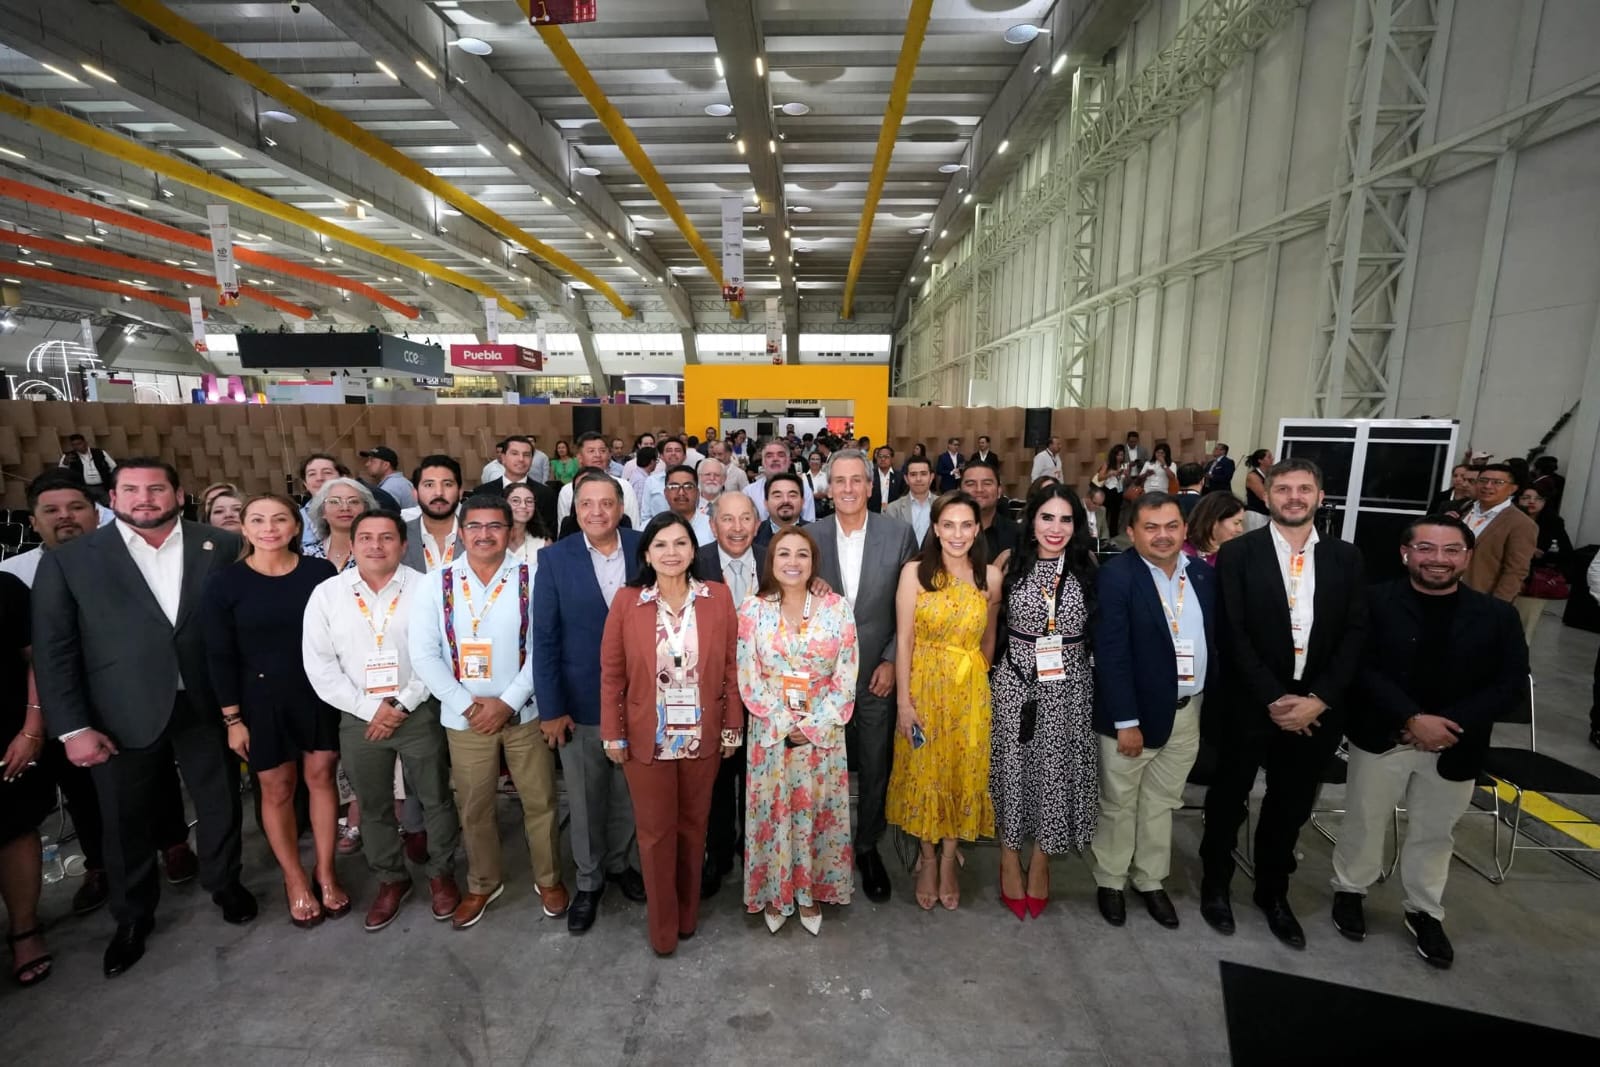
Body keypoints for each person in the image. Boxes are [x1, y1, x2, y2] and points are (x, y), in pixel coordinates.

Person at [33, 459, 257, 978]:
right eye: (131, 489)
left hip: (207, 703)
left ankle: (225, 883)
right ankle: (132, 916)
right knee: (123, 819)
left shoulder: (221, 545)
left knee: (220, 801)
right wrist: (73, 728)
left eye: (156, 488)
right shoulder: (71, 561)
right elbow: (54, 651)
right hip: (119, 712)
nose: (145, 498)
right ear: (112, 499)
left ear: (178, 494)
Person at [1330, 516, 1526, 968]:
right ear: (1406, 554)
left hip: (1456, 743)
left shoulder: (1498, 615)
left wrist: (1448, 725)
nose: (1438, 559)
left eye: (1451, 550)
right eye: (1426, 548)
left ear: (1467, 557)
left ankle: (1424, 910)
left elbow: (1510, 685)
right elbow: (1358, 668)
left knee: (1436, 832)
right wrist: (1411, 718)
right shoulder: (1373, 602)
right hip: (1384, 734)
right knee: (1365, 819)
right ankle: (1350, 891)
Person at [1, 473, 196, 916]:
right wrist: (54, 721)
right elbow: (45, 654)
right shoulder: (17, 573)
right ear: (33, 521)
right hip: (68, 706)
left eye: (76, 508)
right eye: (52, 511)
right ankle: (102, 870)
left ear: (96, 512)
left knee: (158, 778)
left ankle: (173, 843)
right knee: (86, 795)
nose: (65, 518)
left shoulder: (134, 554)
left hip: (138, 697)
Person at [1199, 459, 1366, 949]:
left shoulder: (1346, 558)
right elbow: (1231, 632)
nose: (1294, 497)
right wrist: (1273, 696)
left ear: (1320, 496)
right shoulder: (1239, 553)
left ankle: (1273, 893)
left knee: (1288, 806)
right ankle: (1216, 885)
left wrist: (1319, 699)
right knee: (1227, 800)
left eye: (1304, 489)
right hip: (1249, 700)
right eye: (1284, 489)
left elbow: (1356, 634)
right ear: (1267, 497)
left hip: (1314, 709)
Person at [410, 495, 569, 929]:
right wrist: (468, 705)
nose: (485, 535)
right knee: (474, 806)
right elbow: (424, 654)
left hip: (524, 711)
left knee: (540, 801)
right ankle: (483, 882)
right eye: (475, 527)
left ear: (510, 531)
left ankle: (549, 878)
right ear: (461, 533)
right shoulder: (436, 583)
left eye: (495, 526)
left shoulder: (533, 577)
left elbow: (543, 647)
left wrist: (507, 702)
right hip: (464, 719)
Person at [301, 509, 462, 932]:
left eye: (387, 537)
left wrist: (402, 704)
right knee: (372, 804)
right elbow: (320, 665)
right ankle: (391, 878)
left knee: (435, 797)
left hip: (419, 708)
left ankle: (442, 873)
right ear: (352, 545)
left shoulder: (427, 588)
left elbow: (442, 651)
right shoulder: (327, 594)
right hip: (359, 716)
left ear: (403, 545)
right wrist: (371, 709)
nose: (376, 545)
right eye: (366, 538)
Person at [599, 514, 739, 956]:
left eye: (680, 543)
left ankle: (688, 915)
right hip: (649, 738)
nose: (672, 552)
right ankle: (663, 927)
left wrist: (733, 725)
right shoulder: (628, 601)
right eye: (661, 544)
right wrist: (613, 733)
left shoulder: (717, 597)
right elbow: (612, 674)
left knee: (695, 829)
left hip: (702, 734)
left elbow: (732, 667)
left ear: (694, 550)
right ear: (646, 554)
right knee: (656, 834)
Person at [202, 495, 344, 928]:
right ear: (244, 529)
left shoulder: (320, 572)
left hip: (317, 692)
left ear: (296, 527)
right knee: (277, 788)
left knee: (321, 778)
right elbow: (219, 655)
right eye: (258, 520)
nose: (269, 528)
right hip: (259, 699)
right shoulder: (225, 582)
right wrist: (232, 719)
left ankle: (325, 871)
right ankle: (294, 877)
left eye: (280, 519)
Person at [1090, 493, 1214, 929]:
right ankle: (1111, 879)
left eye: (1171, 526)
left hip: (1187, 712)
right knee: (1119, 803)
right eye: (1151, 527)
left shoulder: (1200, 573)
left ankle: (1150, 879)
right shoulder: (1117, 577)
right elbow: (1112, 654)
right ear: (1131, 532)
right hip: (1134, 716)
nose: (1163, 536)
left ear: (1185, 529)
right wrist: (1126, 722)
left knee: (1162, 802)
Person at [532, 474, 646, 933]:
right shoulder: (554, 559)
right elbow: (544, 639)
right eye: (587, 504)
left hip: (641, 701)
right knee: (583, 799)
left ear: (621, 507)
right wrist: (551, 708)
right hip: (580, 704)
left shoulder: (645, 547)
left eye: (606, 503)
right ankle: (589, 880)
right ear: (575, 510)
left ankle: (620, 864)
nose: (597, 512)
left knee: (628, 796)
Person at [735, 526, 859, 936]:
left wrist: (814, 724)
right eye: (783, 553)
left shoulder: (836, 608)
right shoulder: (752, 609)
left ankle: (810, 892)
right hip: (771, 734)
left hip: (823, 734)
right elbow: (748, 676)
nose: (792, 562)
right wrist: (786, 722)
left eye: (802, 554)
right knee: (773, 813)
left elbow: (846, 674)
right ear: (771, 561)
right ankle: (776, 890)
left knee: (817, 813)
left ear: (813, 562)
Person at [888, 491, 1001, 911]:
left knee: (962, 773)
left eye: (966, 525)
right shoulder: (915, 573)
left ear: (977, 529)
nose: (957, 534)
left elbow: (989, 640)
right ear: (935, 529)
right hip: (922, 687)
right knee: (924, 771)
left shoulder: (990, 577)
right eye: (948, 525)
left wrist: (973, 680)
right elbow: (904, 640)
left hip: (969, 693)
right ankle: (928, 857)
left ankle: (950, 859)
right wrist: (904, 703)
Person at [989, 486, 1098, 921]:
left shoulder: (1087, 567)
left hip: (1069, 689)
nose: (1056, 528)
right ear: (1031, 520)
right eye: (1047, 517)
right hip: (1016, 685)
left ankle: (1040, 859)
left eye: (1066, 519)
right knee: (1012, 771)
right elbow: (987, 626)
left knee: (1054, 773)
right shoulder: (1007, 563)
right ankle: (1008, 855)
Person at [695, 491, 764, 898]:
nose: (737, 528)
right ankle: (717, 853)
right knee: (716, 779)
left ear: (757, 524)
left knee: (757, 777)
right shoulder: (693, 562)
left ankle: (753, 849)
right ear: (712, 524)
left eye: (745, 519)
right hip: (711, 692)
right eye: (727, 519)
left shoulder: (776, 561)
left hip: (765, 693)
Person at [1, 571, 53, 986]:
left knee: (14, 827)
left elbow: (39, 658)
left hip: (7, 735)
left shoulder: (5, 589)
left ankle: (24, 931)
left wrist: (33, 728)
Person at [1460, 463, 1537, 609]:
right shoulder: (1465, 509)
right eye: (1483, 480)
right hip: (1447, 591)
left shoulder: (1521, 523)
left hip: (1481, 598)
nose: (1488, 486)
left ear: (1512, 489)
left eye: (1498, 482)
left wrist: (1497, 606)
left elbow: (1515, 571)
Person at [1513, 483, 1573, 643]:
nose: (1532, 502)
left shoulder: (1553, 523)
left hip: (1535, 580)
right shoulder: (1508, 519)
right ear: (1517, 500)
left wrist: (1542, 554)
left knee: (1524, 628)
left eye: (1538, 498)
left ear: (1545, 502)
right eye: (1526, 497)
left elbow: (1566, 552)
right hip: (1507, 576)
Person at [556, 433, 642, 530]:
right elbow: (565, 530)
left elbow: (633, 526)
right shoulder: (567, 491)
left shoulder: (623, 486)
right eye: (591, 451)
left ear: (609, 455)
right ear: (579, 457)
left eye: (602, 451)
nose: (598, 455)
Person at [474, 436, 557, 535]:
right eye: (514, 453)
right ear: (503, 458)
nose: (521, 459)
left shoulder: (546, 494)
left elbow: (550, 534)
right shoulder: (482, 493)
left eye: (526, 455)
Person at [402, 455, 463, 574]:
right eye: (429, 485)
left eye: (447, 484)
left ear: (460, 493)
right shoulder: (399, 536)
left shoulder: (478, 535)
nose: (439, 493)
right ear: (415, 494)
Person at [305, 477, 377, 572]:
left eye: (353, 501)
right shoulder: (307, 554)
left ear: (366, 509)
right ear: (322, 511)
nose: (345, 508)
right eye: (334, 501)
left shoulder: (377, 553)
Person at [961, 458, 1018, 567]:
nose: (979, 489)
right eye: (971, 484)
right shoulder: (946, 533)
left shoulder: (1017, 534)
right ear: (959, 490)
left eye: (987, 483)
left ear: (999, 491)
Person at [746, 440, 817, 522]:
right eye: (769, 456)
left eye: (781, 455)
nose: (775, 459)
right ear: (762, 462)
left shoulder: (804, 489)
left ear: (789, 461)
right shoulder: (749, 492)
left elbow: (809, 525)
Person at [1182, 492, 1246, 566]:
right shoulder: (1182, 554)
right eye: (1236, 523)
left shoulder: (1234, 555)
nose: (1240, 529)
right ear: (1213, 521)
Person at [752, 471, 809, 554]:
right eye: (778, 496)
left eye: (792, 495)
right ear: (766, 503)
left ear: (802, 502)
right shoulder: (753, 535)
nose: (785, 500)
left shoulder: (815, 534)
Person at [886, 454, 936, 546]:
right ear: (906, 479)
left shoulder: (943, 505)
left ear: (931, 477)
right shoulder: (893, 509)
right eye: (913, 474)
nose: (918, 479)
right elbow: (889, 541)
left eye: (923, 474)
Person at [58, 433, 116, 503]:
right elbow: (61, 472)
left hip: (103, 487)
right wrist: (65, 463)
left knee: (110, 504)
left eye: (79, 444)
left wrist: (110, 480)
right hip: (84, 488)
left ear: (85, 443)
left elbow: (113, 467)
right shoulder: (68, 456)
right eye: (74, 445)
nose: (77, 447)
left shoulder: (99, 452)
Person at [359, 446, 417, 511]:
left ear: (385, 465)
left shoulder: (391, 487)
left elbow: (387, 514)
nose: (367, 464)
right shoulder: (400, 482)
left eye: (372, 461)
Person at [690, 458, 726, 544]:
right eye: (707, 474)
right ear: (699, 477)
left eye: (717, 475)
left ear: (724, 479)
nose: (712, 478)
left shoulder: (732, 505)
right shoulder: (689, 504)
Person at [1094, 444, 1129, 533]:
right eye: (1118, 455)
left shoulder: (1124, 465)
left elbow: (1126, 481)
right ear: (1114, 455)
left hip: (1119, 491)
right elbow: (1099, 478)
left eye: (1122, 455)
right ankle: (1102, 533)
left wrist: (1126, 475)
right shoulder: (1108, 464)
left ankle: (1113, 533)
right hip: (1108, 490)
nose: (1120, 457)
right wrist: (1111, 473)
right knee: (1105, 513)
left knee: (1116, 514)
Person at [867, 446, 907, 513]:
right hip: (873, 513)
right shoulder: (870, 475)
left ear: (892, 459)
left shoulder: (899, 477)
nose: (882, 459)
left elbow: (903, 497)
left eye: (886, 457)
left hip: (893, 514)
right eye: (880, 456)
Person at [1242, 449, 1272, 518]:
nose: (1272, 458)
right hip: (1256, 514)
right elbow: (1263, 496)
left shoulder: (1268, 475)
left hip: (1267, 513)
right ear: (1260, 460)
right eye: (1269, 457)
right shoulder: (1253, 476)